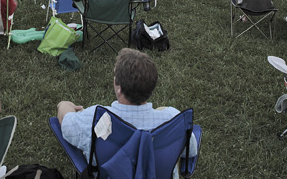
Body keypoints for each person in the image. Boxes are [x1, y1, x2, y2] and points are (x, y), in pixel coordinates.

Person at [57, 48, 197, 165]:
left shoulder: (94, 117)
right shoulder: (173, 120)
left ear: (119, 88)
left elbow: (66, 123)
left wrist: (64, 104)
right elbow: (191, 151)